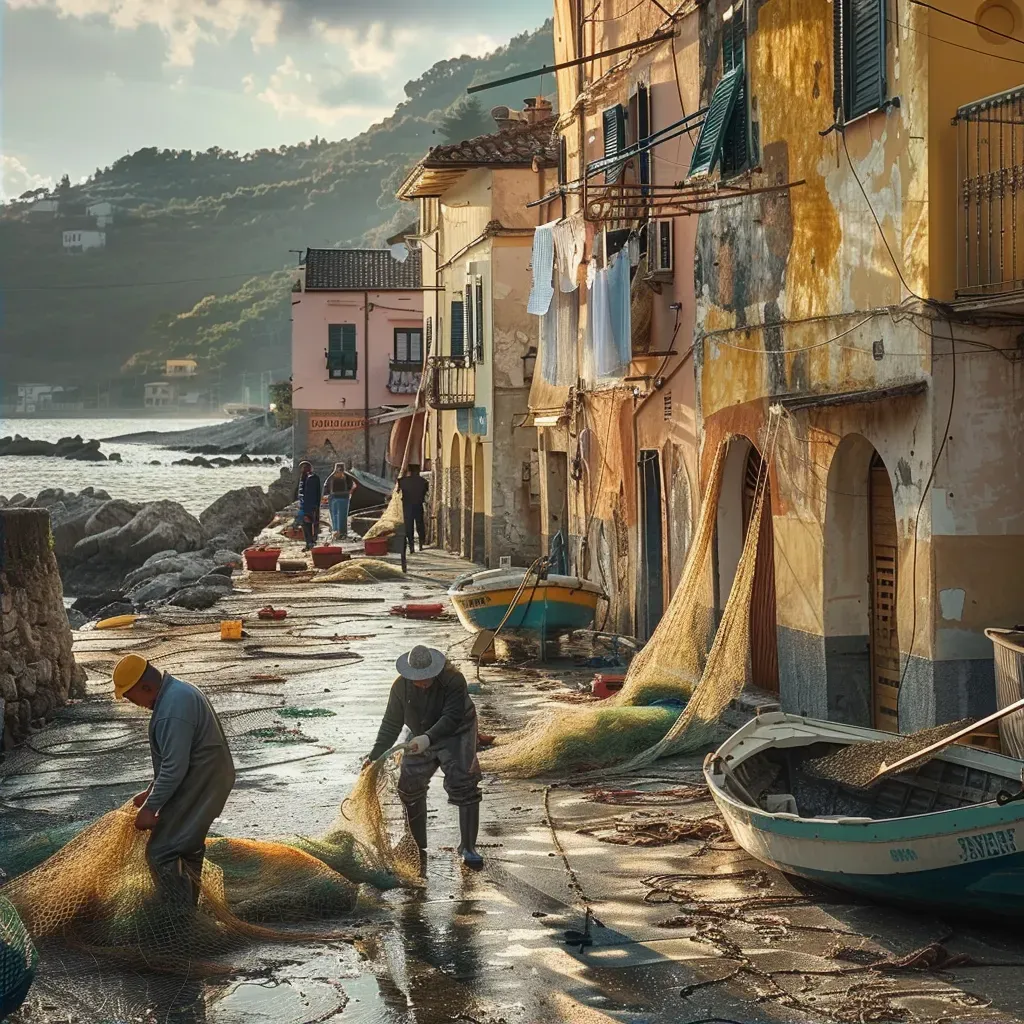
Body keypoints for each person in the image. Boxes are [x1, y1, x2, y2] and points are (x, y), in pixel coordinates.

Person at [113, 654, 235, 906]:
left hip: (202, 782)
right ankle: (187, 910)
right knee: (186, 846)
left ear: (146, 687)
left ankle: (176, 919)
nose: (133, 703)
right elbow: (174, 759)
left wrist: (150, 809)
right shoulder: (176, 693)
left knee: (162, 852)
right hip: (206, 778)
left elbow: (174, 767)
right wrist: (151, 790)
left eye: (130, 696)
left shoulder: (172, 708)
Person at [364, 645, 483, 870]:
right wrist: (374, 756)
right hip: (420, 733)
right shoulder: (400, 687)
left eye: (427, 677)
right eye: (417, 678)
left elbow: (452, 716)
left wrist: (428, 739)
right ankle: (416, 844)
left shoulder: (453, 680)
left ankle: (468, 846)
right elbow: (391, 723)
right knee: (409, 784)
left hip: (457, 731)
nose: (422, 682)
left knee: (463, 783)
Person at [398, 464, 428, 555]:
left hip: (407, 507)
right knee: (420, 524)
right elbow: (425, 492)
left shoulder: (402, 481)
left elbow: (398, 492)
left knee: (409, 526)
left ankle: (411, 546)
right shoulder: (423, 481)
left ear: (409, 471)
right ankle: (421, 544)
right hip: (418, 506)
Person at [323, 461, 358, 540]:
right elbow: (351, 485)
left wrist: (326, 494)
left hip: (335, 498)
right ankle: (340, 533)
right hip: (342, 498)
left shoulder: (332, 477)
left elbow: (326, 486)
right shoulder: (346, 476)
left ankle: (337, 532)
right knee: (341, 516)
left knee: (336, 516)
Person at [298, 460, 322, 550]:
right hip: (303, 505)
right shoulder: (303, 478)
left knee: (310, 523)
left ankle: (311, 542)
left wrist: (314, 506)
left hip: (309, 506)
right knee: (305, 525)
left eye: (305, 467)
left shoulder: (312, 478)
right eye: (302, 467)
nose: (303, 469)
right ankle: (308, 543)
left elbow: (312, 493)